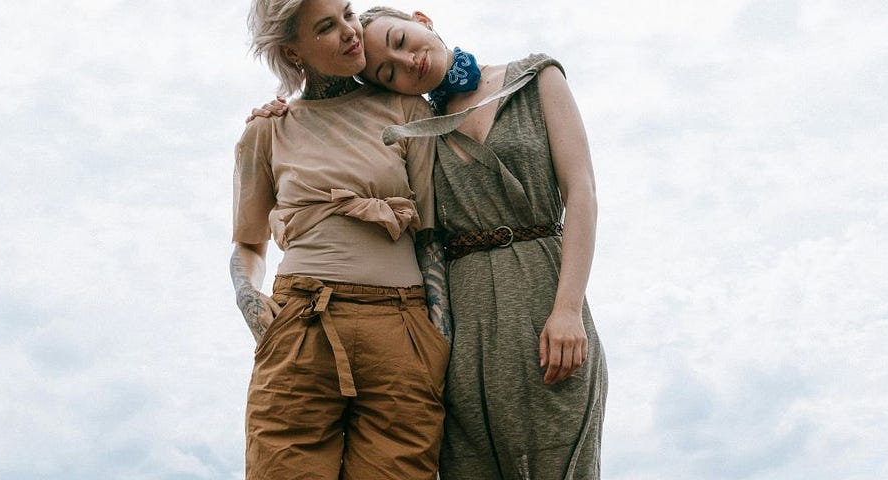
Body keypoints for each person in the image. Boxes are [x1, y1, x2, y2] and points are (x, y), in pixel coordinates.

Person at [250, 6, 607, 479]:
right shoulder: (410, 123)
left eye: (400, 41)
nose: (407, 63)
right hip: (460, 324)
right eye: (387, 72)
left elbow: (581, 192)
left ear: (422, 19)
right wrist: (284, 108)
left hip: (544, 297)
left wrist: (567, 308)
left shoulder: (537, 77)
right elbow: (343, 134)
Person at [230, 0, 452, 478]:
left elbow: (430, 236)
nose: (351, 32)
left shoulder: (407, 109)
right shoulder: (266, 131)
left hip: (402, 330)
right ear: (294, 54)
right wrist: (247, 298)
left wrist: (438, 334)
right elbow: (249, 245)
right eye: (328, 27)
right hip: (301, 324)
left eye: (348, 13)